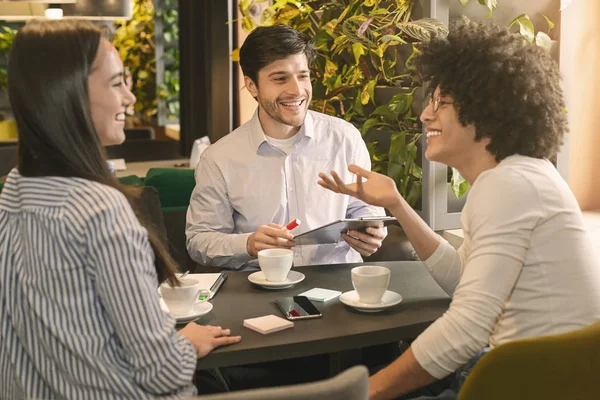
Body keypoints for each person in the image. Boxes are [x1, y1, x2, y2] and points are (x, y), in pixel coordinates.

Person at [318, 21, 600, 400]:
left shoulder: (509, 186)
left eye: (442, 102)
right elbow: (462, 281)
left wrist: (360, 393)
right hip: (532, 376)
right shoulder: (522, 176)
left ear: (486, 109)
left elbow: (465, 328)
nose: (425, 116)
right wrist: (397, 204)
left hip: (527, 383)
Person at [0, 20, 240, 398]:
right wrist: (186, 344)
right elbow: (161, 371)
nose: (130, 99)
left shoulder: (14, 190)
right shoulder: (99, 209)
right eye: (117, 83)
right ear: (68, 94)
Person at [186, 24, 387, 270]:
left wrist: (371, 229)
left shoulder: (346, 138)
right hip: (260, 288)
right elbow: (199, 241)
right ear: (252, 86)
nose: (296, 90)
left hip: (338, 282)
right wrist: (247, 244)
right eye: (280, 79)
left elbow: (365, 208)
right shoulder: (219, 159)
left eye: (302, 76)